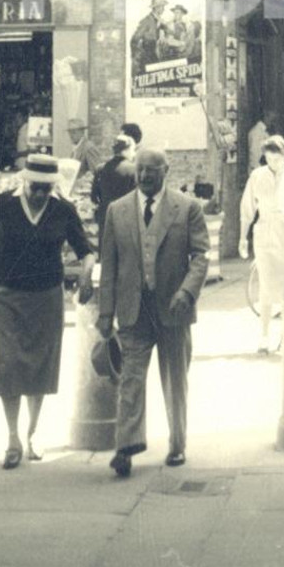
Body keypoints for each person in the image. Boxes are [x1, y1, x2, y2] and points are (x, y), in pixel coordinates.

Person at [0, 154, 95, 468]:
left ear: (53, 186)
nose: (40, 194)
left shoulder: (63, 210)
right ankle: (12, 437)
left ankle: (34, 433)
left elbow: (86, 251)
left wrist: (85, 276)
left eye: (45, 189)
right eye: (35, 188)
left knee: (41, 364)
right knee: (9, 365)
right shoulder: (1, 206)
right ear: (24, 181)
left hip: (46, 298)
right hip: (3, 296)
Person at [96, 147, 210, 477]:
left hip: (174, 310)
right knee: (130, 380)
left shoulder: (186, 208)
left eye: (152, 170)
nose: (145, 175)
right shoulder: (117, 211)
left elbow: (201, 256)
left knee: (175, 380)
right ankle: (126, 447)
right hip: (134, 310)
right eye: (140, 170)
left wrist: (187, 292)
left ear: (166, 171)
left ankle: (177, 444)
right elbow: (109, 266)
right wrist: (106, 313)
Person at [238, 133, 284, 355]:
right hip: (264, 234)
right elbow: (247, 210)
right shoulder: (257, 176)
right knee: (266, 286)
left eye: (277, 159)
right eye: (269, 159)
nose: (273, 163)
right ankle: (264, 336)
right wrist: (242, 238)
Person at [89, 134, 137, 237]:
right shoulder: (134, 170)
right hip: (126, 220)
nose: (134, 153)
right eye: (133, 150)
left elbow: (94, 197)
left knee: (105, 251)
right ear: (127, 150)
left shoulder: (100, 169)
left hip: (105, 219)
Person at [130, 0, 168, 73]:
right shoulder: (146, 21)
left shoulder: (160, 21)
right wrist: (137, 56)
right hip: (147, 55)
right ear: (156, 8)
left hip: (156, 54)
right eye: (162, 7)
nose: (164, 9)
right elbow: (134, 39)